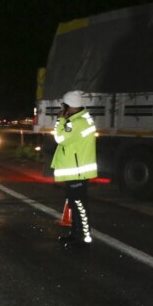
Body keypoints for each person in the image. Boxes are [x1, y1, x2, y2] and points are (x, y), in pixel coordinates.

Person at [52, 90, 97, 249]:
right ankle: (75, 233)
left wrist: (60, 121)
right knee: (74, 203)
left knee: (79, 204)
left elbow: (60, 138)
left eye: (64, 106)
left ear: (69, 106)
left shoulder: (77, 123)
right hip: (76, 169)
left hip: (78, 171)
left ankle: (83, 237)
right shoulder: (80, 119)